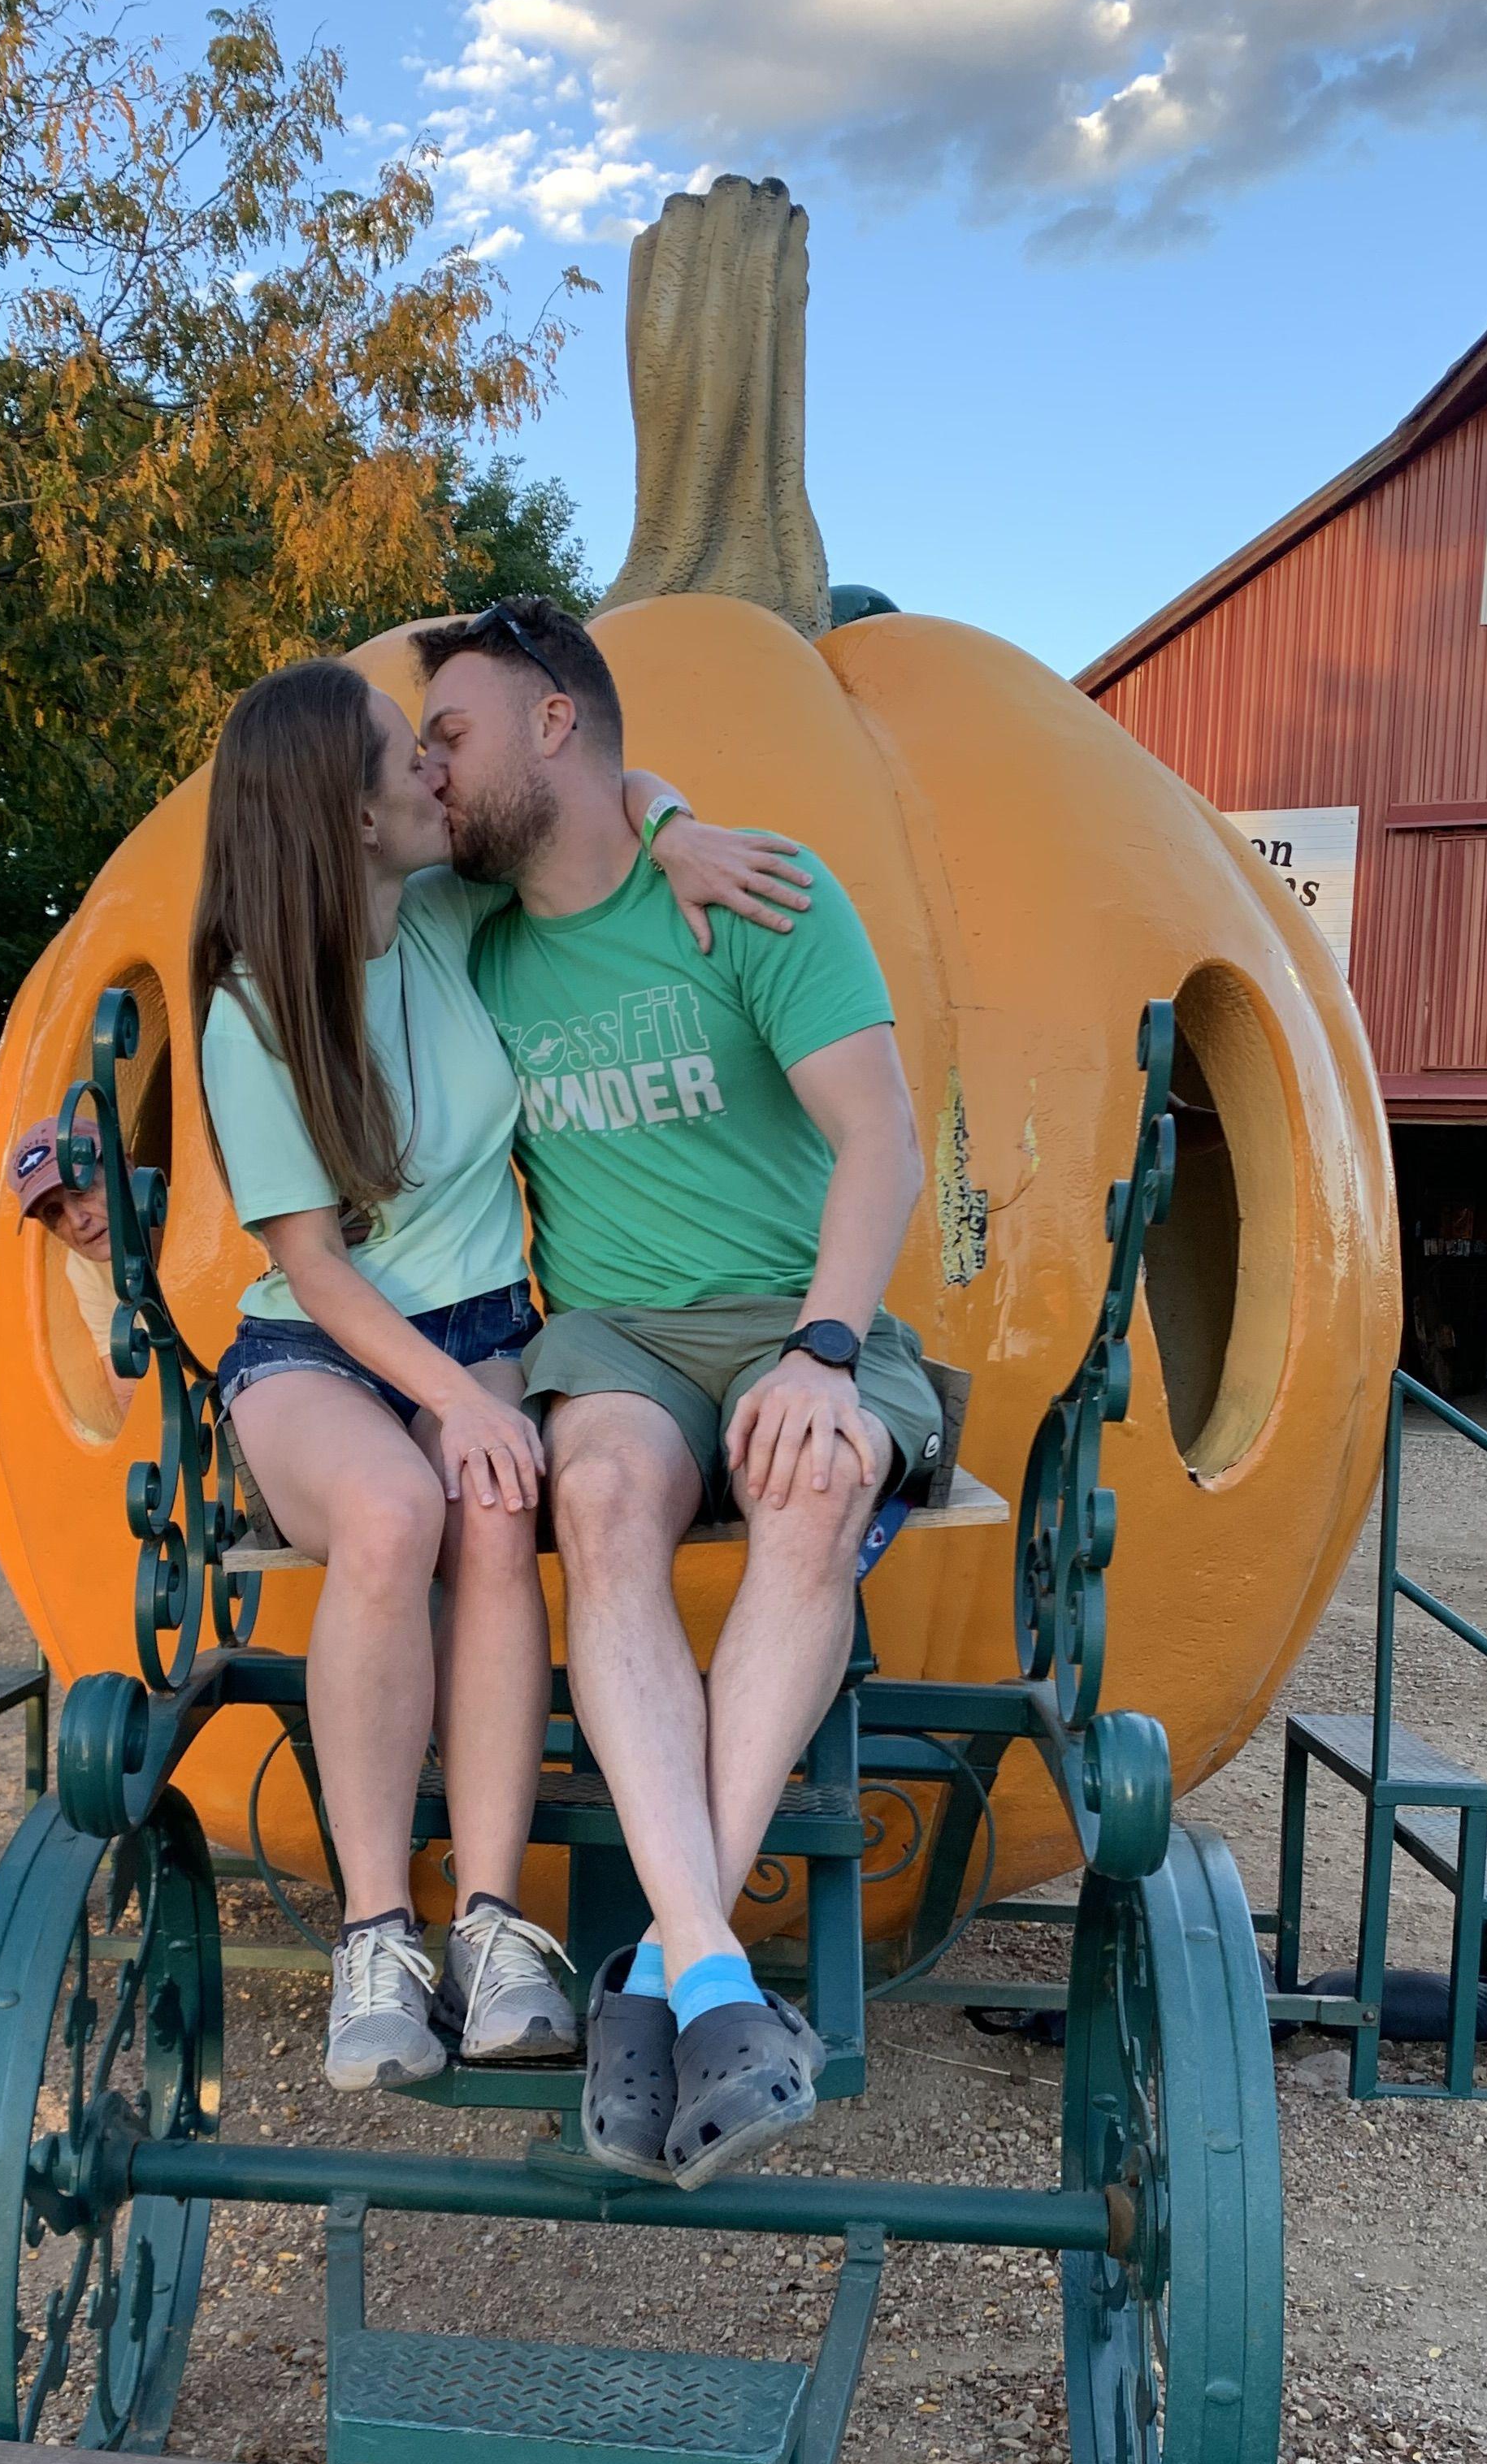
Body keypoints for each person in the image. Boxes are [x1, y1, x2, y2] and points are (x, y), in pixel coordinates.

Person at [191, 651, 816, 2102]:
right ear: (345, 813)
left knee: (489, 1517)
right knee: (401, 1510)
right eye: (407, 752)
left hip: (483, 1335)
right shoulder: (251, 1006)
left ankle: (489, 1923)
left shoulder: (448, 911)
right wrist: (468, 1399)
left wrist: (677, 829)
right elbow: (322, 1270)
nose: (435, 770)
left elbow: (588, 796)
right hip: (319, 1351)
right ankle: (373, 1931)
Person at [418, 596, 937, 2189]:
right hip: (619, 1338)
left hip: (797, 1311)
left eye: (454, 731)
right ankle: (714, 1969)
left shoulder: (758, 893)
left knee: (814, 1481)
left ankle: (659, 1962)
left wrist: (829, 1348)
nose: (430, 768)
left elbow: (883, 1144)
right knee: (601, 1492)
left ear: (556, 719)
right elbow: (301, 920)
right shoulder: (469, 934)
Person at [8, 1120, 141, 1402]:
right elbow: (127, 1388)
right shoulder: (85, 1268)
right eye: (54, 1212)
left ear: (127, 1168)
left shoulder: (206, 1218)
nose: (78, 1221)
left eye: (82, 1189)